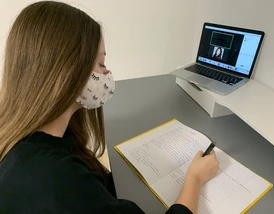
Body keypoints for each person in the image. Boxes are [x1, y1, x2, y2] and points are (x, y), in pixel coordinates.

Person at [0, 1, 219, 214]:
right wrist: (195, 179)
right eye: (101, 64)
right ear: (67, 71)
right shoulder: (61, 184)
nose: (106, 74)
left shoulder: (21, 136)